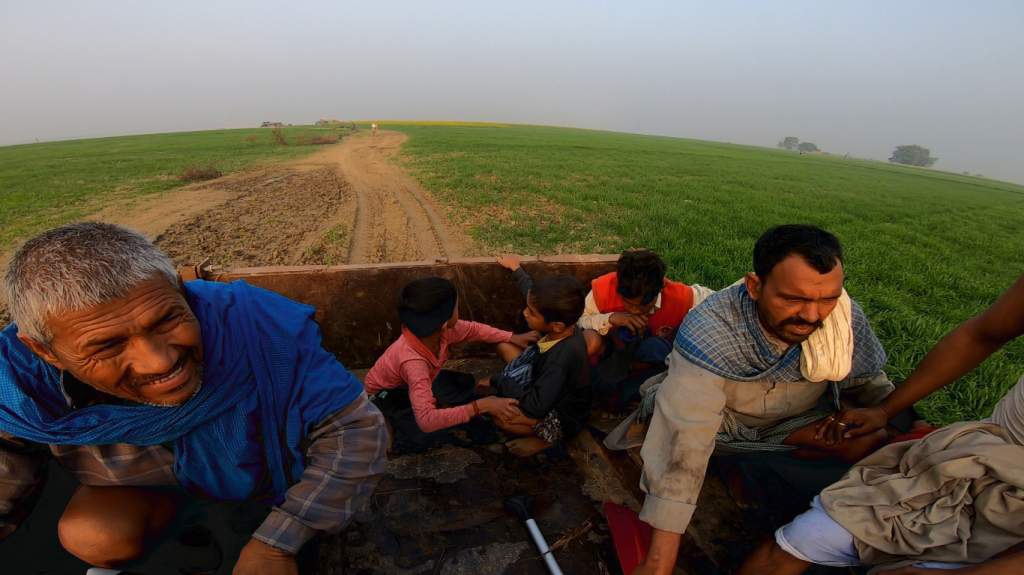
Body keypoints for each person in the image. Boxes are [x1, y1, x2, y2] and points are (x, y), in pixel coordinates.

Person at [0, 222, 388, 574]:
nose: (159, 361)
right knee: (94, 534)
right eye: (108, 345)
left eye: (167, 320)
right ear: (45, 351)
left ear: (181, 292)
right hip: (148, 493)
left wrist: (279, 542)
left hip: (266, 482)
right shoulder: (15, 384)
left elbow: (354, 429)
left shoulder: (258, 328)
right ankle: (187, 545)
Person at [630, 224, 898, 575]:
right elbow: (686, 437)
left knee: (869, 440)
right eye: (793, 299)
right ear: (755, 287)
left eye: (827, 298)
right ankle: (746, 465)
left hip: (794, 423)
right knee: (685, 442)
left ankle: (757, 470)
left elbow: (868, 381)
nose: (812, 316)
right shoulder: (712, 326)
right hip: (723, 426)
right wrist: (658, 562)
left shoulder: (842, 319)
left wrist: (896, 414)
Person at [738, 274, 1024, 574]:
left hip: (1010, 535)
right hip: (970, 460)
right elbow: (980, 335)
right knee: (801, 540)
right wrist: (885, 410)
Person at [363, 276, 535, 449]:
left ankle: (435, 403)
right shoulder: (413, 363)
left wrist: (513, 337)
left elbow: (474, 330)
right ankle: (387, 422)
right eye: (456, 307)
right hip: (387, 394)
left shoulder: (438, 331)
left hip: (419, 380)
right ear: (445, 323)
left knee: (463, 384)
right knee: (426, 434)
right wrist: (481, 406)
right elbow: (426, 421)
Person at [579, 249, 713, 408]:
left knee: (653, 351)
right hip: (612, 361)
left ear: (661, 287)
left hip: (651, 365)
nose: (634, 311)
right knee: (602, 383)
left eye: (643, 305)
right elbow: (580, 321)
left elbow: (713, 300)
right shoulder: (602, 290)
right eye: (628, 303)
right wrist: (610, 318)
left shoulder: (680, 297)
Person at [484, 275, 591, 457]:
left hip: (562, 415)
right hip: (545, 383)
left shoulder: (560, 360)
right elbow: (532, 290)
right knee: (504, 346)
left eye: (532, 312)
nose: (525, 313)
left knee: (502, 419)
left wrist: (499, 381)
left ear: (556, 326)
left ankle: (548, 439)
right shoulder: (565, 329)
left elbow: (536, 406)